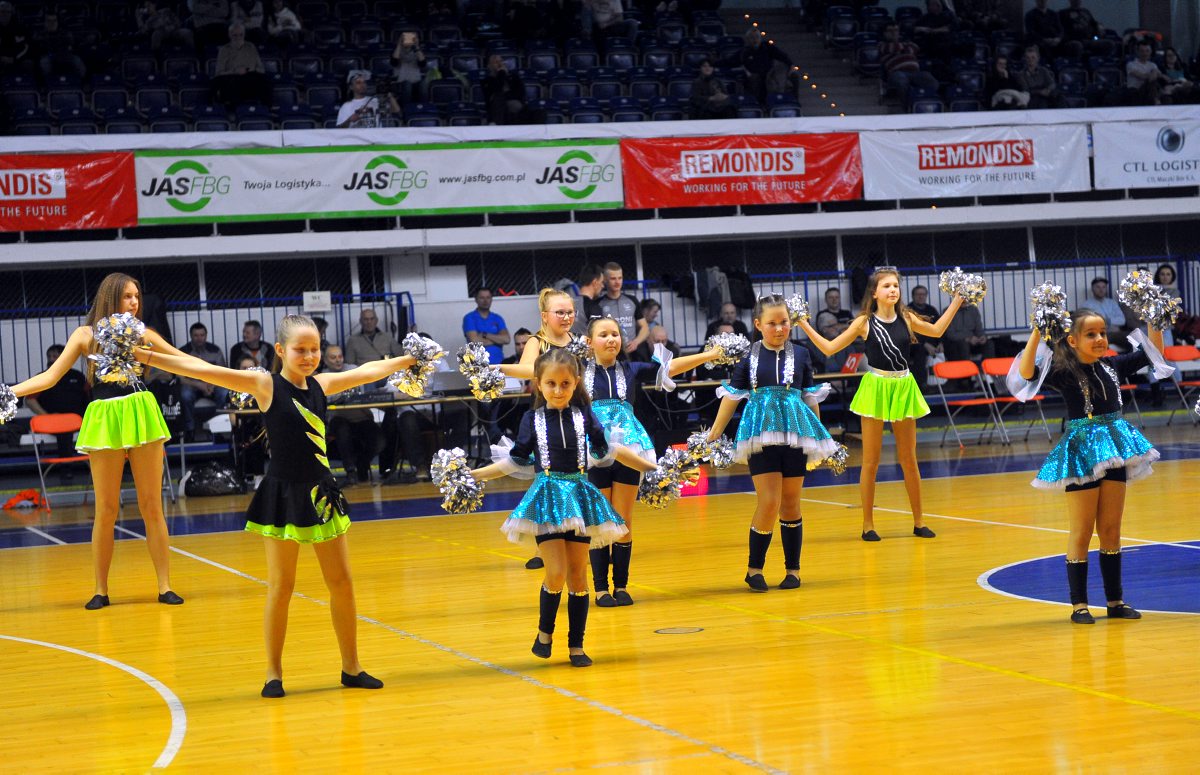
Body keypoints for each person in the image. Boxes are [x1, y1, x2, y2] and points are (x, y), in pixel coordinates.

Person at [132, 314, 426, 696]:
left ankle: (351, 667)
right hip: (283, 496)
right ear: (281, 351)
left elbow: (367, 371)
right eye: (300, 350)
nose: (309, 356)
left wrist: (407, 359)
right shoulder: (264, 385)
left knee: (342, 583)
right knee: (281, 587)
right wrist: (145, 356)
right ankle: (273, 673)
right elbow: (203, 369)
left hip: (321, 494)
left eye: (314, 349)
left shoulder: (322, 384)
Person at [465, 348, 660, 666]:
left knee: (578, 577)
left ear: (576, 383)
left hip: (580, 500)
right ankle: (545, 633)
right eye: (551, 384)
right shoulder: (532, 419)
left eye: (565, 384)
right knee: (555, 574)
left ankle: (576, 646)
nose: (558, 390)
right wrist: (473, 476)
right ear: (538, 384)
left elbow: (612, 451)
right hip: (547, 500)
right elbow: (514, 461)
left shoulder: (585, 416)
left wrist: (654, 469)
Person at [10, 273, 192, 609]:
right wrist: (9, 393)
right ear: (110, 297)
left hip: (141, 412)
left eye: (137, 296)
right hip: (105, 416)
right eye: (127, 296)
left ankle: (165, 586)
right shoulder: (85, 335)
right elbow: (50, 377)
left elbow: (183, 362)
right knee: (106, 509)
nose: (134, 303)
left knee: (152, 505)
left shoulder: (144, 333)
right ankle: (100, 590)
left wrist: (238, 379)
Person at [1008, 309, 1171, 624]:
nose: (1100, 339)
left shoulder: (1112, 365)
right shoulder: (1063, 371)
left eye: (1103, 333)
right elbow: (1027, 373)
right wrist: (1038, 331)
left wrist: (1154, 319)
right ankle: (1079, 605)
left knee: (1111, 529)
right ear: (1072, 340)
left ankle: (1115, 601)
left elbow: (1152, 353)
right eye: (1091, 334)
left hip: (1116, 447)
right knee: (1082, 531)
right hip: (1081, 451)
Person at [797, 268, 965, 540]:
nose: (893, 289)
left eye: (895, 285)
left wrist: (957, 300)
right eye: (886, 286)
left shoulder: (906, 318)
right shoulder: (864, 322)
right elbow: (829, 348)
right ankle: (868, 524)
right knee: (871, 462)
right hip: (875, 387)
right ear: (874, 293)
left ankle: (919, 521)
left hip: (903, 387)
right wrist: (803, 323)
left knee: (909, 460)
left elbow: (937, 330)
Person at [584, 315, 723, 606]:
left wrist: (709, 355)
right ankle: (600, 589)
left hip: (631, 446)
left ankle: (621, 586)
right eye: (603, 335)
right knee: (600, 519)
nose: (611, 339)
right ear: (589, 342)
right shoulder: (577, 372)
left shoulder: (630, 368)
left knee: (623, 520)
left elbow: (670, 367)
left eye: (615, 334)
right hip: (595, 448)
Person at [706, 294, 841, 591]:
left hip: (796, 435)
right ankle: (754, 569)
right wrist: (713, 434)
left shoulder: (802, 354)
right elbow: (731, 397)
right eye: (772, 323)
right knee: (769, 502)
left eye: (784, 322)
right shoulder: (749, 356)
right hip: (761, 436)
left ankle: (793, 570)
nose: (779, 328)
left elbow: (810, 398)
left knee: (791, 503)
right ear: (758, 324)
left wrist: (819, 437)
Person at [496, 288, 581, 570]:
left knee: (579, 479)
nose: (566, 317)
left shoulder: (579, 342)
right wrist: (495, 368)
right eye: (560, 312)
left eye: (570, 312)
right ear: (545, 316)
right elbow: (526, 370)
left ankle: (578, 538)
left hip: (577, 417)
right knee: (546, 482)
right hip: (546, 420)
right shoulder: (537, 341)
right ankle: (543, 546)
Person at [344, 308, 404, 479]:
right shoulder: (353, 340)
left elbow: (401, 357)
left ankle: (386, 465)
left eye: (371, 318)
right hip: (366, 379)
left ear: (376, 320)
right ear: (361, 321)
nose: (369, 322)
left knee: (392, 412)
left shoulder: (387, 337)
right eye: (365, 319)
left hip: (387, 377)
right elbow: (349, 365)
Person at [323, 345, 382, 486]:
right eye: (333, 357)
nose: (338, 360)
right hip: (338, 419)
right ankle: (350, 471)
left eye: (340, 356)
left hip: (361, 417)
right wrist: (341, 393)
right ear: (325, 361)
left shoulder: (353, 369)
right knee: (342, 430)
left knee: (380, 440)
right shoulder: (322, 377)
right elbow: (325, 399)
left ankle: (362, 464)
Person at [24, 344, 90, 460]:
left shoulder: (79, 377)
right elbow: (30, 400)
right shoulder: (42, 378)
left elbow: (90, 398)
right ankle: (67, 464)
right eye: (49, 357)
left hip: (77, 419)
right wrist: (47, 416)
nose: (51, 360)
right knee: (63, 426)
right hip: (53, 420)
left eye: (55, 356)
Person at [178, 322, 229, 441]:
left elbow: (223, 373)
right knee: (185, 395)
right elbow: (180, 377)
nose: (199, 338)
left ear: (206, 335)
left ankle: (219, 429)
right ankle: (189, 431)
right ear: (191, 336)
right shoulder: (183, 352)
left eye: (202, 335)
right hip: (192, 385)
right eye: (196, 335)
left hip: (213, 385)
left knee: (224, 393)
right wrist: (199, 385)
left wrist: (212, 385)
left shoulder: (215, 350)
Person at [720, 27, 794, 103]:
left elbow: (782, 56)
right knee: (755, 80)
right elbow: (729, 61)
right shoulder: (744, 52)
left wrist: (791, 64)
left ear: (760, 38)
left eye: (757, 37)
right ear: (748, 40)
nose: (755, 40)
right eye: (752, 38)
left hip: (769, 77)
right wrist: (714, 64)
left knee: (791, 77)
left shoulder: (767, 47)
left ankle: (786, 101)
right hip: (753, 78)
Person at [212, 22, 271, 108]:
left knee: (265, 80)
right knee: (230, 83)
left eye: (241, 35)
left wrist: (249, 70)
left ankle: (266, 109)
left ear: (244, 34)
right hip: (232, 77)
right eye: (235, 35)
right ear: (229, 35)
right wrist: (234, 71)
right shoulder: (224, 50)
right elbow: (218, 73)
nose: (238, 37)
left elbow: (260, 68)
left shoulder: (251, 47)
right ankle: (234, 110)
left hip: (250, 77)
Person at [878, 22, 940, 101]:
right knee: (901, 81)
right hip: (897, 72)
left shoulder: (905, 42)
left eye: (896, 30)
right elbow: (893, 48)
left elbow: (915, 48)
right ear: (884, 33)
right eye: (890, 31)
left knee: (930, 79)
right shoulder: (881, 45)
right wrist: (904, 46)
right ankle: (906, 103)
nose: (894, 33)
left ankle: (926, 100)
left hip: (915, 72)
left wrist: (902, 47)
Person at [598, 262, 649, 357]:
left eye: (620, 278)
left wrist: (636, 342)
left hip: (632, 353)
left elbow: (645, 327)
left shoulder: (632, 300)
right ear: (605, 280)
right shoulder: (599, 304)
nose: (617, 282)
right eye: (613, 279)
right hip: (610, 354)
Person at [1078, 277, 1131, 350]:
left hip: (1116, 332)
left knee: (1131, 337)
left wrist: (1108, 321)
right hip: (1100, 334)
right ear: (1092, 289)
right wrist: (1111, 323)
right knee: (1127, 337)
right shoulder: (1086, 305)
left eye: (1104, 287)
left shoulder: (1112, 303)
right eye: (1098, 287)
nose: (1101, 290)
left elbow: (1122, 321)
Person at [463, 286, 510, 366]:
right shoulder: (469, 318)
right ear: (476, 299)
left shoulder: (497, 318)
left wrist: (485, 335)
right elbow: (474, 341)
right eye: (482, 298)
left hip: (499, 364)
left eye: (488, 297)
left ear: (491, 299)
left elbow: (506, 339)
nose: (485, 301)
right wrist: (497, 340)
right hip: (478, 366)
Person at [33, 11, 85, 80]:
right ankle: (45, 84)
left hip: (64, 55)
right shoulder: (40, 34)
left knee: (77, 60)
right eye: (49, 21)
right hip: (48, 56)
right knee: (44, 62)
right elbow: (37, 48)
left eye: (54, 21)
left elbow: (71, 45)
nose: (52, 23)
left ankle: (84, 83)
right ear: (45, 23)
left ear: (57, 22)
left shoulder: (64, 33)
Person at [907, 285, 941, 390]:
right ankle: (921, 384)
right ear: (913, 296)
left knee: (954, 343)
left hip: (932, 342)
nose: (921, 296)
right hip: (914, 343)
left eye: (923, 294)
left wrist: (941, 343)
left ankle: (957, 381)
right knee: (920, 350)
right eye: (918, 294)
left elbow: (939, 327)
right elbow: (909, 332)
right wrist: (925, 344)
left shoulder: (931, 310)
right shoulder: (907, 311)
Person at [482, 53, 528, 126]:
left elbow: (520, 93)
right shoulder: (487, 80)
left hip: (514, 103)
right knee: (499, 98)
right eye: (496, 62)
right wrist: (501, 73)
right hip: (496, 106)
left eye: (500, 61)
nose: (499, 64)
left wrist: (506, 95)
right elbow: (496, 90)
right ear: (490, 66)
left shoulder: (514, 77)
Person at [1125, 39, 1171, 105]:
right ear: (1137, 52)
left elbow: (1166, 78)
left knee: (1166, 95)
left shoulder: (1153, 65)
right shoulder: (1131, 65)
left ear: (1151, 52)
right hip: (1136, 92)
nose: (1145, 54)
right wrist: (1154, 72)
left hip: (1151, 91)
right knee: (1152, 82)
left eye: (1147, 51)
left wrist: (1156, 73)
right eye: (1142, 51)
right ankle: (1156, 101)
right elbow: (1143, 77)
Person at [389, 29, 427, 105]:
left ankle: (424, 107)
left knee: (423, 84)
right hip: (401, 81)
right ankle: (406, 108)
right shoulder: (396, 51)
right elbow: (394, 62)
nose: (408, 40)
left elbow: (423, 63)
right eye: (406, 38)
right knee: (407, 84)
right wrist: (399, 44)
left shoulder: (418, 52)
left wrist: (416, 46)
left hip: (416, 81)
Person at [571, 265, 606, 336]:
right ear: (595, 282)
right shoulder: (593, 307)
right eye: (602, 282)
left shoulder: (566, 303)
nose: (603, 286)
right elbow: (598, 336)